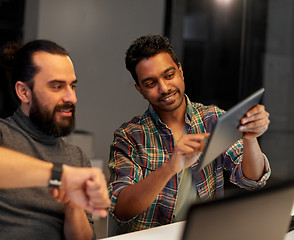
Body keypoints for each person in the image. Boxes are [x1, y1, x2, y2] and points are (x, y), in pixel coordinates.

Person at [108, 34, 271, 234]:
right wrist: (170, 167)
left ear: (180, 71)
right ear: (140, 89)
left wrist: (250, 138)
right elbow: (121, 209)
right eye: (151, 84)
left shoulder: (213, 120)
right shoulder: (129, 136)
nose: (164, 88)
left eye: (169, 75)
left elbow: (251, 180)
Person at [0, 40, 110, 240]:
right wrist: (59, 176)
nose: (71, 98)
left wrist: (73, 206)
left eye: (72, 86)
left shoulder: (76, 158)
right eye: (57, 86)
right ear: (24, 92)